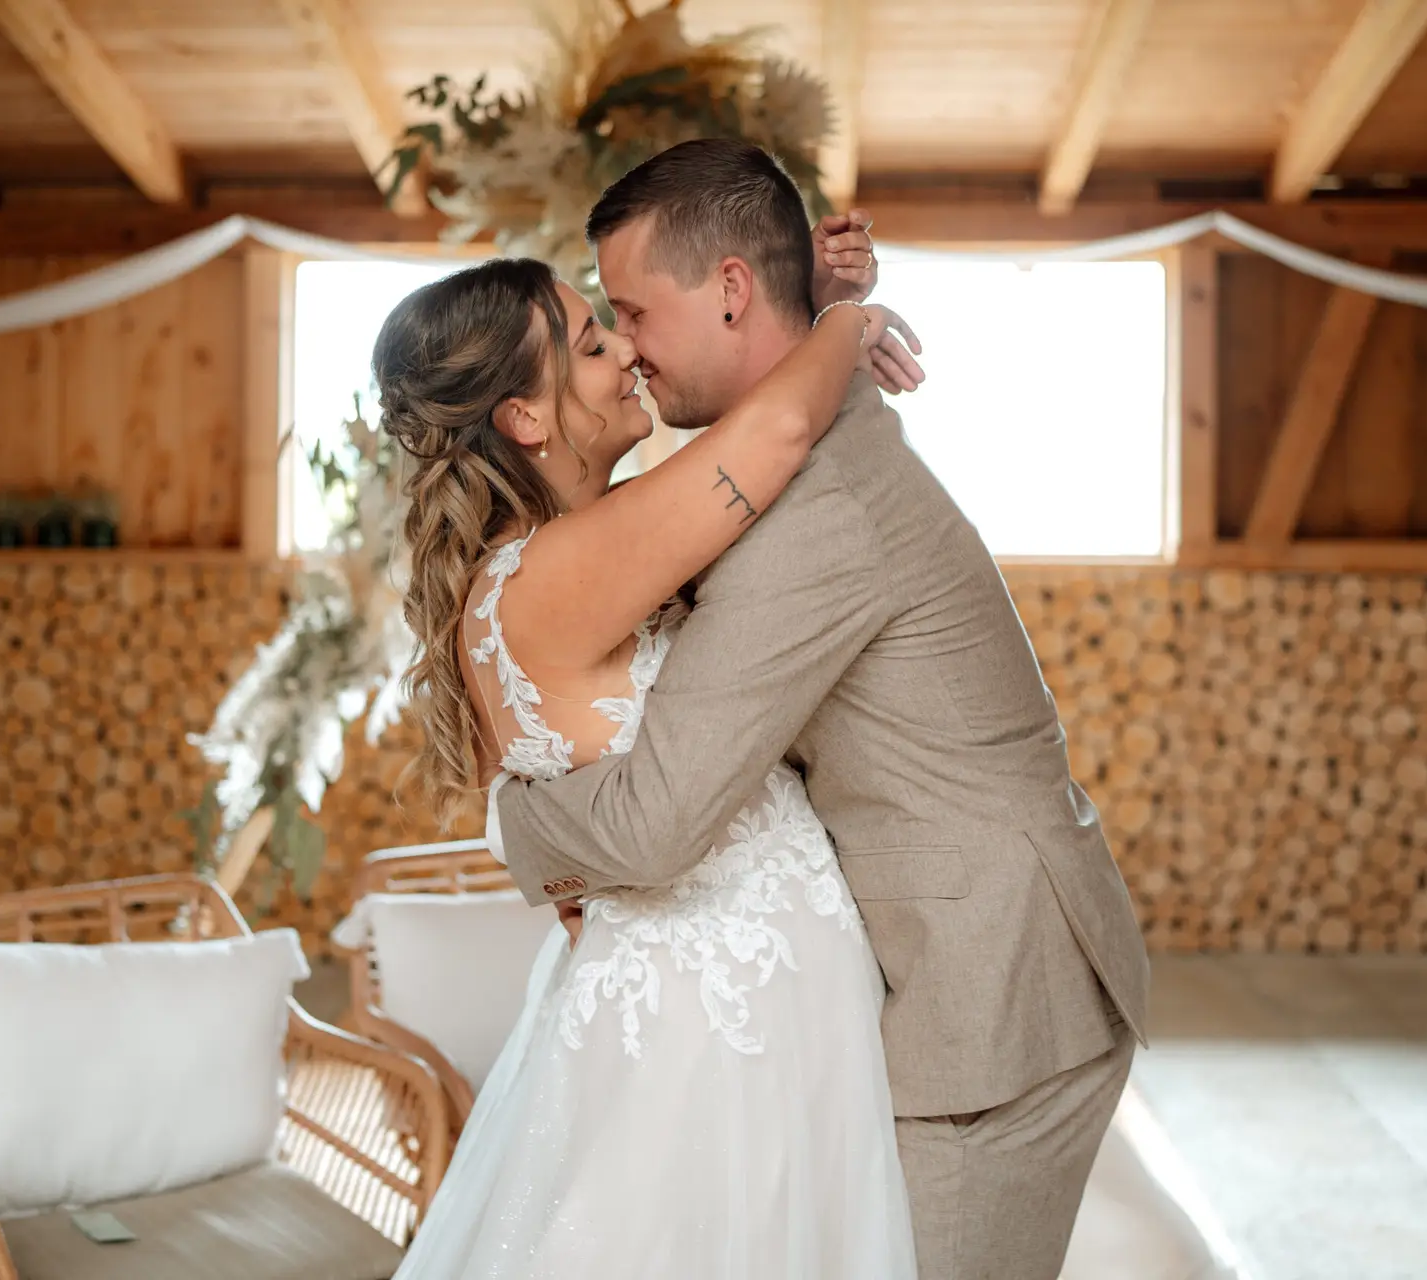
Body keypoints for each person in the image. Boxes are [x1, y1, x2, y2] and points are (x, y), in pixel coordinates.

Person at [484, 137, 1152, 1280]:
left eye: (633, 312)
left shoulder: (815, 508)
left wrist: (517, 825)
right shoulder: (793, 453)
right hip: (938, 968)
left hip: (992, 997)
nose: (628, 348)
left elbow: (653, 825)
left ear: (733, 290)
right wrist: (836, 311)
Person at [378, 176, 925, 1275]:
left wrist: (790, 295)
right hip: (715, 1026)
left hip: (724, 994)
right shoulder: (563, 566)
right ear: (524, 417)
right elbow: (771, 431)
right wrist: (843, 322)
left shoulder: (545, 565)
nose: (626, 355)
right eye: (591, 342)